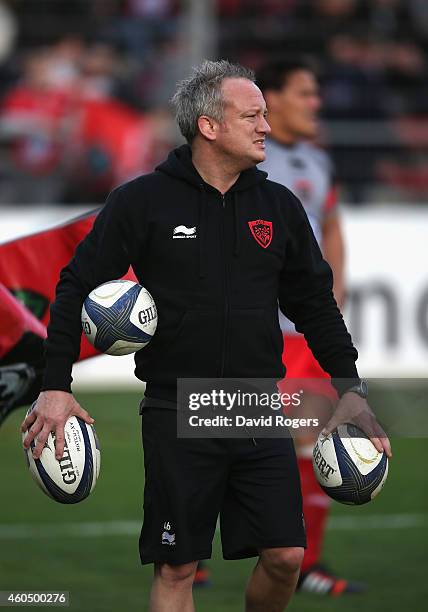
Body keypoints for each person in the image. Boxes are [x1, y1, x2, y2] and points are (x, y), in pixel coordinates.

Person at [22, 60, 391, 612]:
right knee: (177, 568)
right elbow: (75, 285)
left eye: (266, 113)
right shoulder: (141, 201)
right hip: (176, 405)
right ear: (209, 126)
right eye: (252, 115)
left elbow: (315, 305)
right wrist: (56, 386)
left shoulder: (278, 206)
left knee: (287, 556)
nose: (266, 125)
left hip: (254, 405)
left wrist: (351, 390)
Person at [256, 57, 366, 596]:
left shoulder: (316, 162)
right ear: (270, 98)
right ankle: (188, 553)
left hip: (305, 334)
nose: (315, 104)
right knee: (221, 438)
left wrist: (333, 298)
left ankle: (307, 566)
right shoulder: (247, 160)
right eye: (304, 93)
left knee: (315, 443)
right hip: (261, 333)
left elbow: (332, 227)